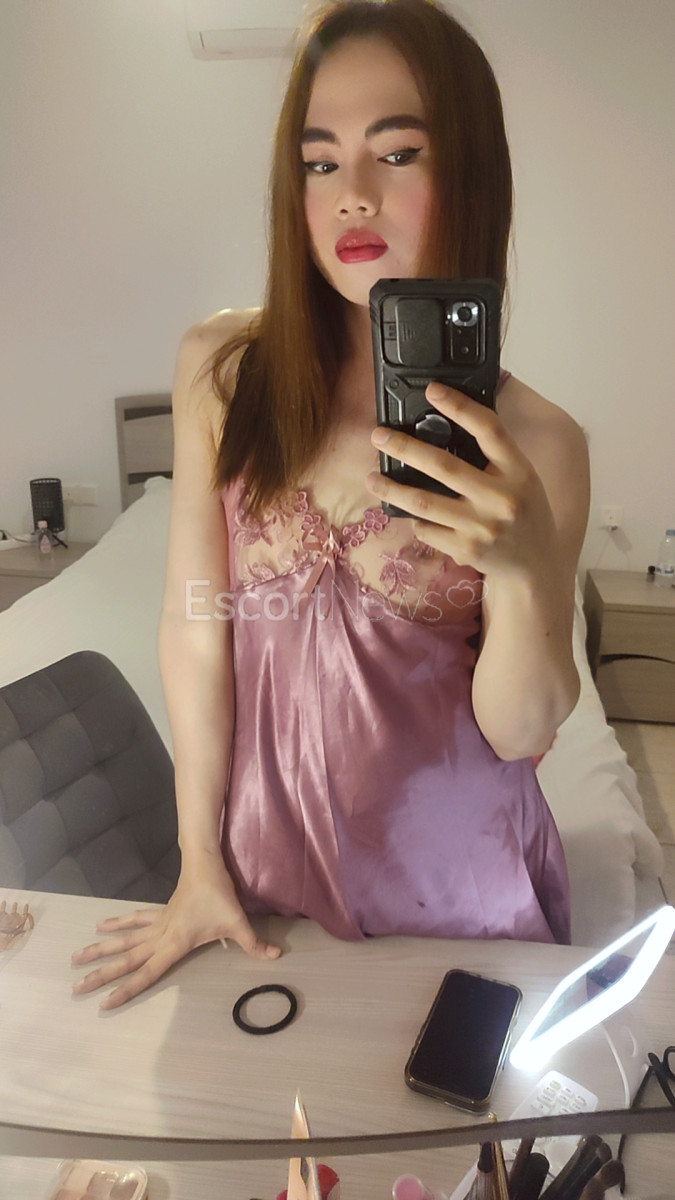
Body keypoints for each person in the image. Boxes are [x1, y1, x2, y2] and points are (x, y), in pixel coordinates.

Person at [72, 0, 590, 1010]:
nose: (352, 195)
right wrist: (197, 859)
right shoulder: (221, 372)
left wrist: (524, 574)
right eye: (319, 162)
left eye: (396, 153)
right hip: (263, 879)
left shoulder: (538, 441)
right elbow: (196, 628)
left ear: (469, 173)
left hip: (462, 897)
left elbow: (520, 731)